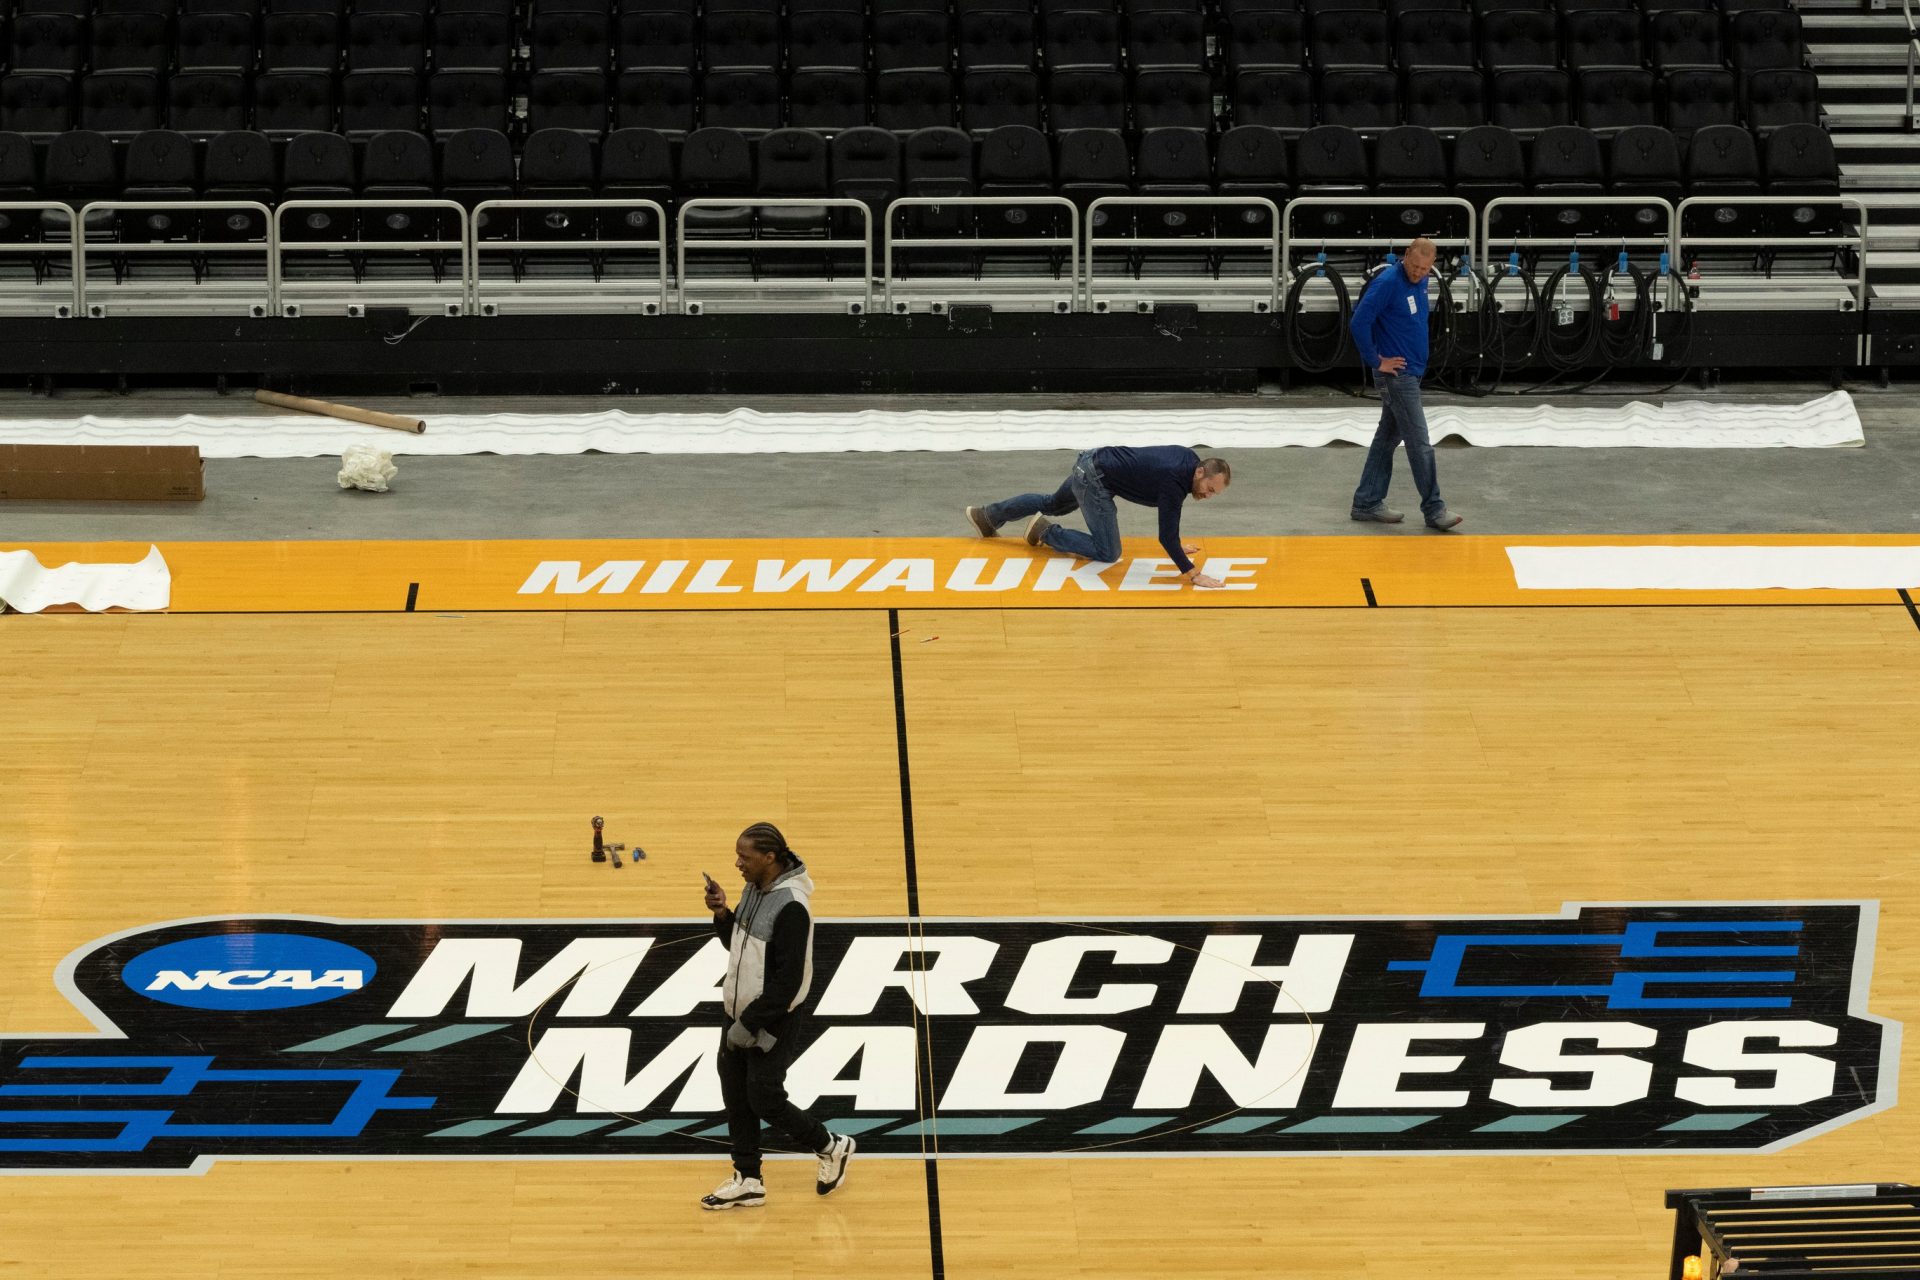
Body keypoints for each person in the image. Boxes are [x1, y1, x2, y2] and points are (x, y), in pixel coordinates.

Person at [698, 821, 854, 1211]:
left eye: (744, 857)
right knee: (736, 1096)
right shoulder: (754, 889)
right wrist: (722, 914)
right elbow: (739, 945)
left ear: (770, 857)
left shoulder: (793, 909)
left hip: (772, 1019)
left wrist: (749, 1024)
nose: (737, 864)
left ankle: (831, 1146)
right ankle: (748, 1179)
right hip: (739, 1013)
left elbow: (787, 984)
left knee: (764, 1097)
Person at [965, 448, 1232, 589]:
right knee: (1109, 551)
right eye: (1210, 489)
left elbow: (1169, 528)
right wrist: (1193, 574)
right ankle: (1045, 532)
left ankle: (986, 515)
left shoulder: (1188, 459)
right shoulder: (1175, 482)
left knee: (1053, 503)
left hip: (1090, 460)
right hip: (1096, 480)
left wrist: (1175, 543)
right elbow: (1166, 536)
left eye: (1214, 494)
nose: (1208, 496)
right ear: (1199, 472)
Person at [1348, 236, 1464, 531]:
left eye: (1424, 269)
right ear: (1405, 256)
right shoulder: (1388, 282)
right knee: (1419, 442)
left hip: (1413, 372)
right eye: (1414, 266)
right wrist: (1377, 361)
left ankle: (1367, 501)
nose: (1418, 273)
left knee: (1386, 438)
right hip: (1398, 377)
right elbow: (1359, 321)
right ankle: (1434, 509)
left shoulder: (1422, 281)